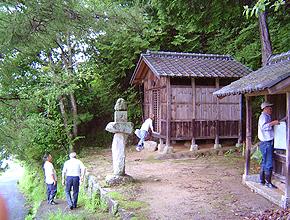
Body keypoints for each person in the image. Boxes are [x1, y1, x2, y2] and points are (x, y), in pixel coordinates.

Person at [258, 101, 279, 188]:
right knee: (268, 163)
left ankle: (262, 180)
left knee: (264, 161)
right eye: (269, 108)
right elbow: (263, 127)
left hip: (266, 143)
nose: (271, 109)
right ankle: (268, 182)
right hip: (266, 143)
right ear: (265, 108)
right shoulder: (263, 117)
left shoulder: (267, 116)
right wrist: (273, 123)